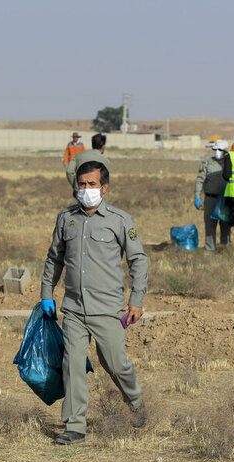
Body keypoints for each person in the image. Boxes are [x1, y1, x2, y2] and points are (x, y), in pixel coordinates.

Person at [41, 160, 148, 445]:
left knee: (115, 364)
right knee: (72, 363)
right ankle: (75, 425)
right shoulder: (66, 218)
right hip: (74, 308)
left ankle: (136, 402)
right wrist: (46, 294)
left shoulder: (120, 220)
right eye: (82, 184)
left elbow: (138, 259)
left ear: (104, 187)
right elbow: (55, 258)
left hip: (108, 309)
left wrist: (136, 299)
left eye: (92, 184)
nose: (86, 189)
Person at [194, 139, 231, 250]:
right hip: (211, 199)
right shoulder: (206, 163)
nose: (217, 152)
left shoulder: (230, 163)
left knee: (225, 225)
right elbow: (200, 180)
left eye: (219, 150)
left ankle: (225, 249)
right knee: (210, 225)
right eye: (215, 149)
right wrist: (197, 196)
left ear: (225, 151)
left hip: (225, 200)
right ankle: (210, 249)